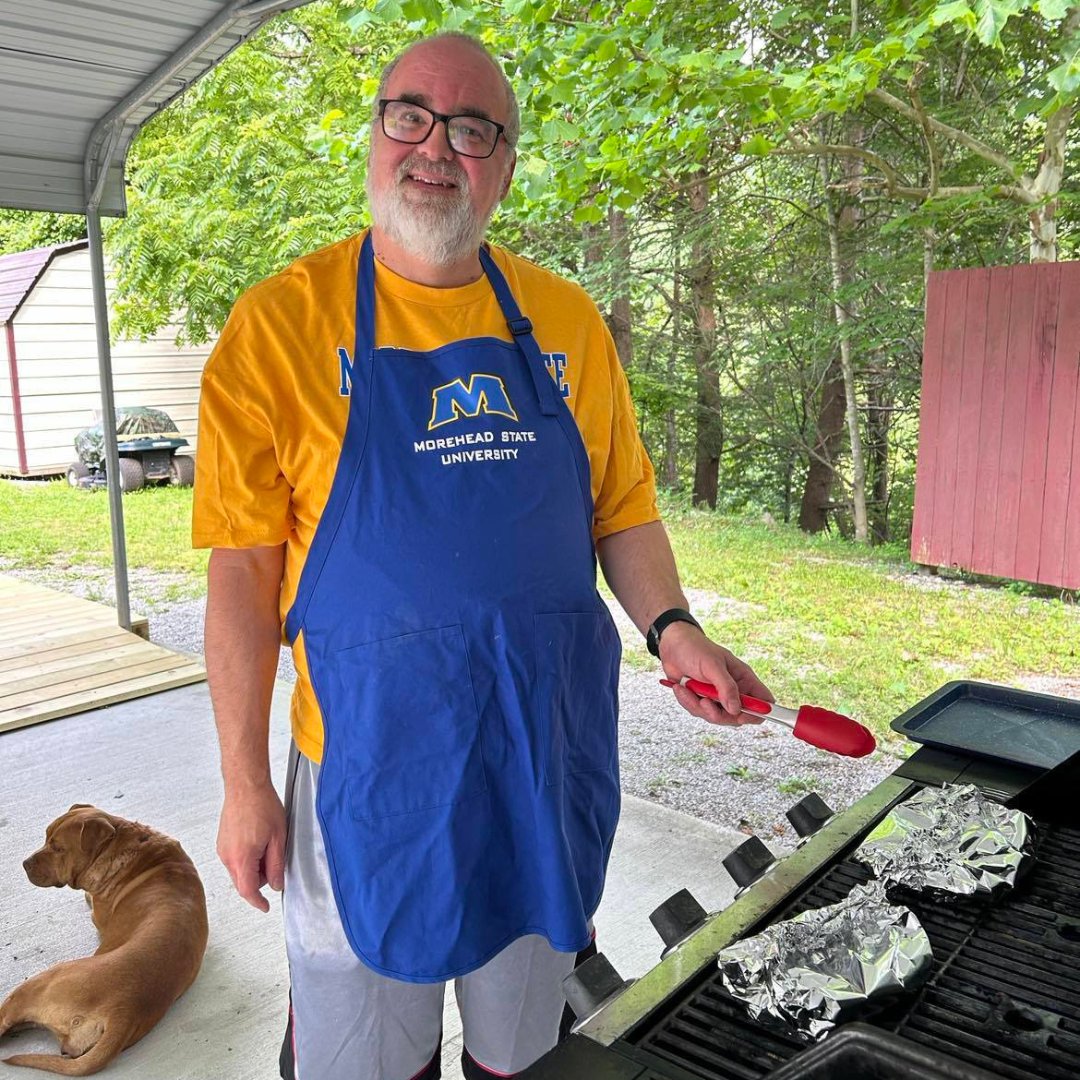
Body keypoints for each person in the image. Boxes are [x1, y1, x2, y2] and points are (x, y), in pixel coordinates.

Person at [193, 31, 772, 1080]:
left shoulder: (566, 320)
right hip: (368, 776)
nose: (433, 147)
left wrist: (673, 627)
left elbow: (621, 507)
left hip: (541, 759)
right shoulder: (277, 326)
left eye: (471, 130)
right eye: (408, 115)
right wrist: (243, 783)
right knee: (367, 1052)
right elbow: (241, 575)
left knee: (523, 1049)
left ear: (503, 166)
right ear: (374, 136)